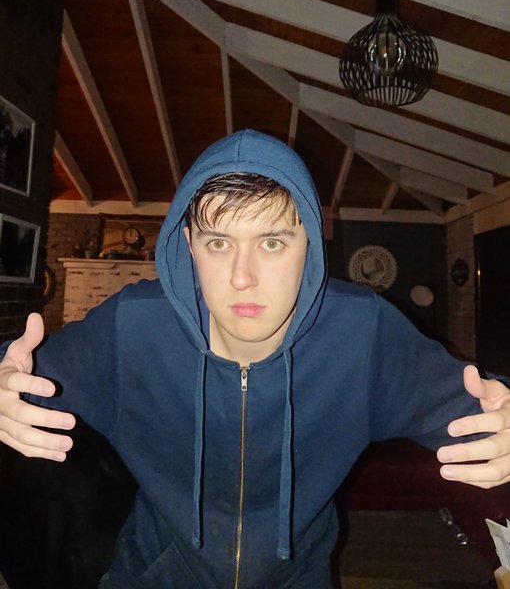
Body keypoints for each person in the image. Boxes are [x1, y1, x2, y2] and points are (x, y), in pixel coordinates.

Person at [0, 129, 509, 589]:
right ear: (189, 245)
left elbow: (485, 402)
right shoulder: (132, 327)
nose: (242, 277)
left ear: (309, 244)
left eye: (271, 242)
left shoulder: (363, 333)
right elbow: (18, 373)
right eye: (219, 243)